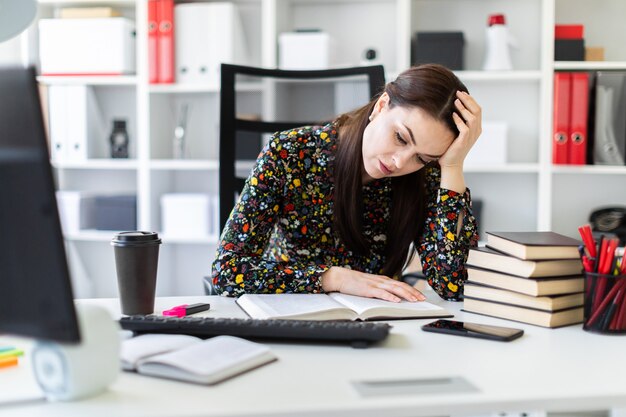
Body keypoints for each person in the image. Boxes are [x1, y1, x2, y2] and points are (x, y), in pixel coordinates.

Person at [211, 64, 481, 302]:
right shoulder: (289, 152)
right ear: (381, 106)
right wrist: (335, 279)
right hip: (290, 312)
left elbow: (453, 285)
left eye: (421, 157)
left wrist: (453, 166)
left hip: (378, 325)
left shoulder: (424, 175)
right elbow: (227, 271)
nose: (400, 162)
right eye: (400, 137)